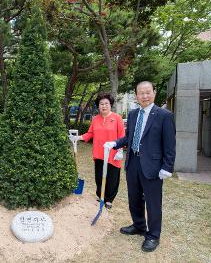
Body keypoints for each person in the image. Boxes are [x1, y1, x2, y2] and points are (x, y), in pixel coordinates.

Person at [104, 81, 176, 252]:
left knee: (153, 203)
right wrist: (114, 143)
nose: (144, 96)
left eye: (147, 92)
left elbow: (170, 144)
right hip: (133, 162)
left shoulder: (164, 115)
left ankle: (153, 235)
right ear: (136, 95)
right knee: (134, 198)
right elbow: (129, 137)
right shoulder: (134, 113)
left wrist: (167, 167)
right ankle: (138, 226)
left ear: (154, 93)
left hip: (153, 165)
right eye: (141, 93)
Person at [70, 92, 125, 209]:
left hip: (113, 154)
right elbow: (90, 134)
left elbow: (122, 136)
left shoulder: (117, 118)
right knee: (99, 177)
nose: (104, 106)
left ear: (110, 105)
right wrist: (77, 137)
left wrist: (120, 151)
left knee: (112, 178)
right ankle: (101, 196)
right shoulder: (95, 119)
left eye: (106, 103)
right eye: (101, 104)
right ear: (98, 106)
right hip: (99, 153)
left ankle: (109, 200)